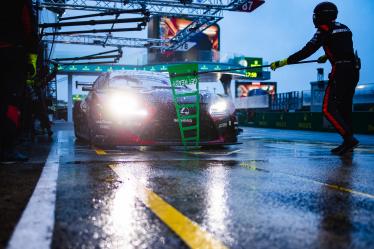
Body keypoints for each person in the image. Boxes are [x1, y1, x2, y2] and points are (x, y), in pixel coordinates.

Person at [270, 2, 360, 155]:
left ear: (323, 16)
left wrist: (283, 62)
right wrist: (326, 55)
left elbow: (307, 50)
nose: (314, 18)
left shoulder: (324, 30)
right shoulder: (345, 28)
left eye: (316, 15)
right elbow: (344, 48)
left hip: (340, 71)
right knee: (344, 108)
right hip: (354, 69)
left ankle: (349, 139)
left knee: (328, 109)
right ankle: (347, 143)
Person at [0, 1, 39, 162]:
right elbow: (29, 31)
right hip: (12, 56)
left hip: (12, 54)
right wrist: (32, 63)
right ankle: (6, 148)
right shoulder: (20, 4)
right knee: (11, 104)